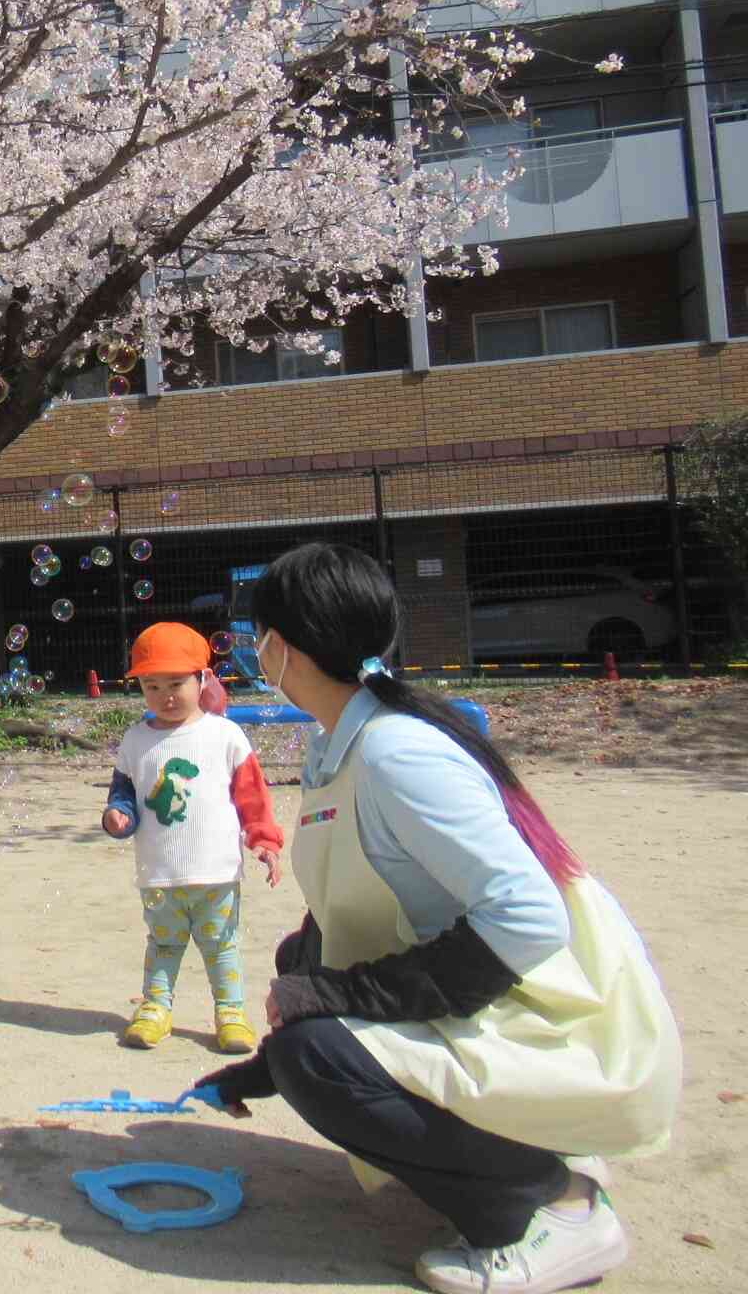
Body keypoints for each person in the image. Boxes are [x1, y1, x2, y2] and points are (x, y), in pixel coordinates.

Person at [195, 543, 680, 1294]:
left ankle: (550, 1206)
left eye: (255, 637)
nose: (250, 653)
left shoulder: (398, 753)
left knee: (316, 1055)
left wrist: (323, 1015)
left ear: (282, 647)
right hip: (487, 1002)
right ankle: (524, 1151)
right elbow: (350, 918)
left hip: (553, 1014)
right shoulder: (340, 743)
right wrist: (270, 1056)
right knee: (302, 977)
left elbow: (527, 920)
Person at [104, 622, 283, 1053]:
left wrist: (265, 840)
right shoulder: (135, 740)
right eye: (151, 685)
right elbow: (123, 795)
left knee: (221, 947)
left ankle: (231, 1013)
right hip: (158, 871)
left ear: (203, 679)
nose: (165, 695)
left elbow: (252, 796)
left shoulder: (225, 735)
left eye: (176, 683)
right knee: (163, 944)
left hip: (216, 871)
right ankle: (155, 1008)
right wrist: (117, 817)